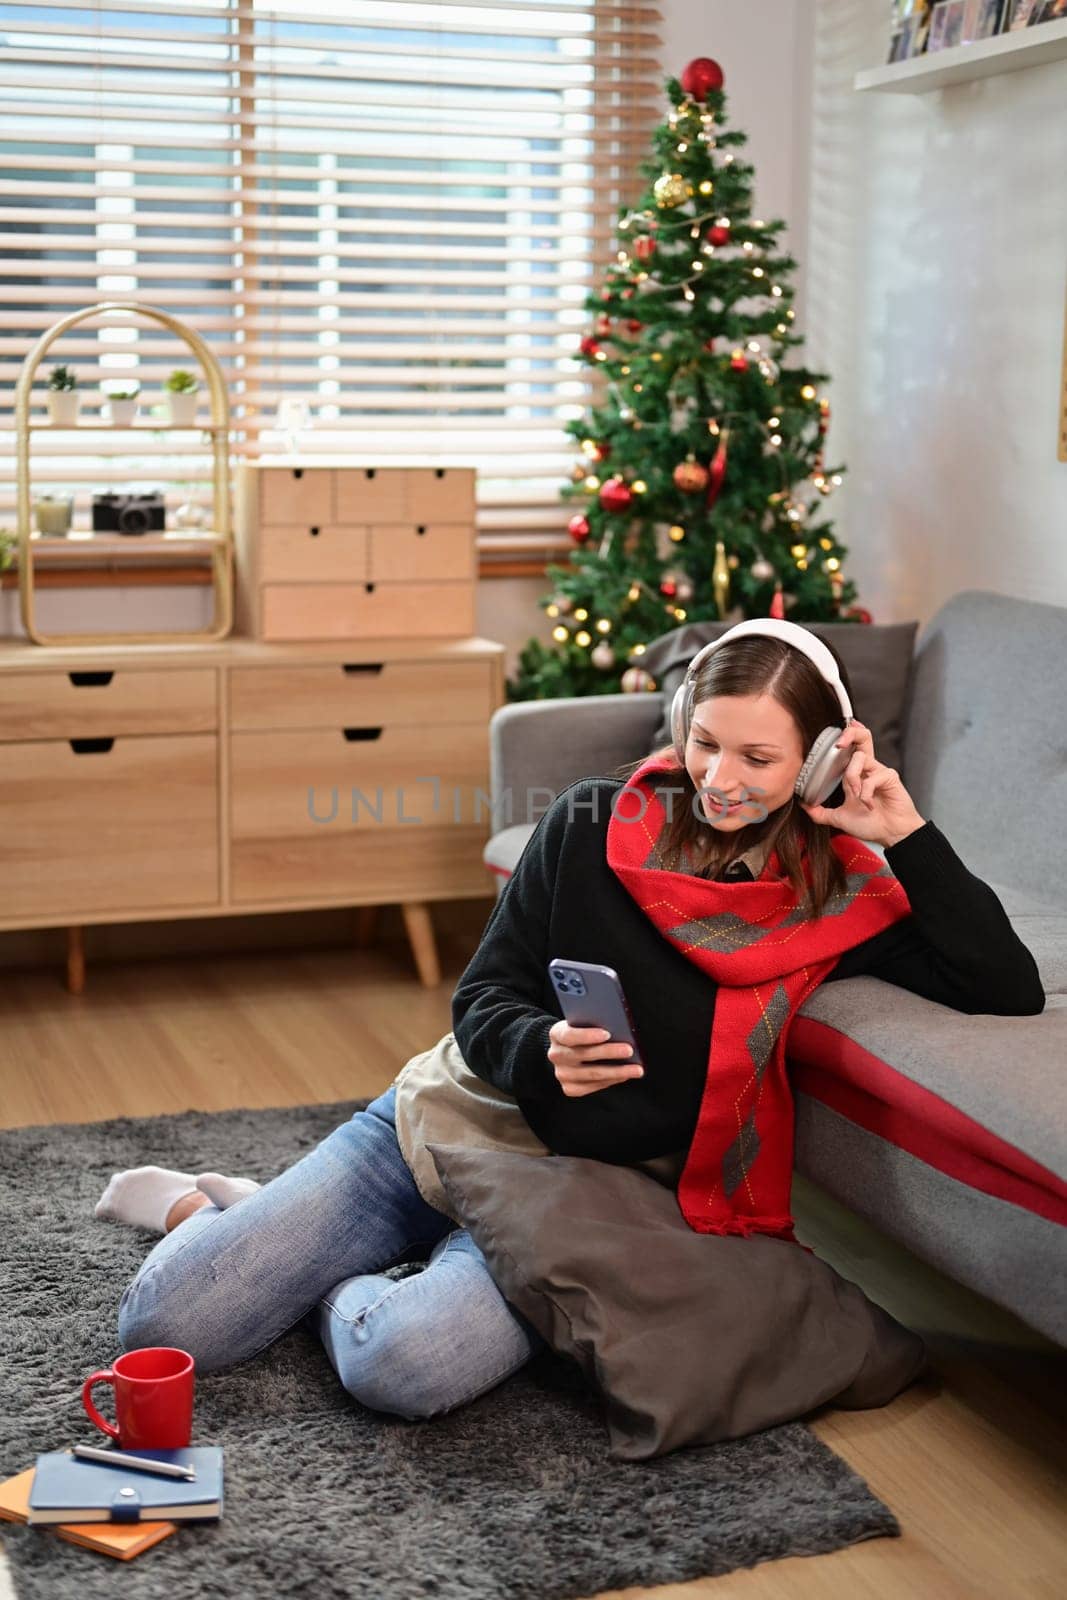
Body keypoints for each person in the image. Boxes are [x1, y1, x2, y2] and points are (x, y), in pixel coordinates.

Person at [98, 620, 1045, 1417]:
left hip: (579, 1195)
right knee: (164, 1328)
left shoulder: (834, 893)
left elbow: (1002, 985)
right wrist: (540, 1050)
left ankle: (317, 1253)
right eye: (706, 740)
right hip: (454, 1120)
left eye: (759, 758)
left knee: (404, 1365)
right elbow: (483, 997)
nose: (719, 777)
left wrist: (906, 835)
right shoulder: (595, 820)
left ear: (820, 760)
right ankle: (211, 1204)